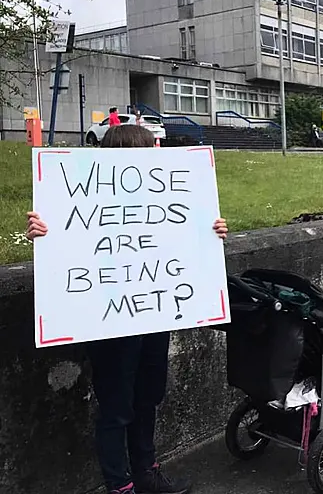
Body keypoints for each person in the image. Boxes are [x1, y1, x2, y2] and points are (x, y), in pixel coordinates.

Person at [25, 124, 229, 494]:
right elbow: (67, 244)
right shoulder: (88, 199)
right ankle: (120, 485)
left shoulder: (160, 195)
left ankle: (146, 472)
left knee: (148, 397)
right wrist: (42, 233)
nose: (160, 154)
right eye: (152, 148)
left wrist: (210, 230)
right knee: (117, 409)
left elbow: (181, 235)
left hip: (154, 314)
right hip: (109, 322)